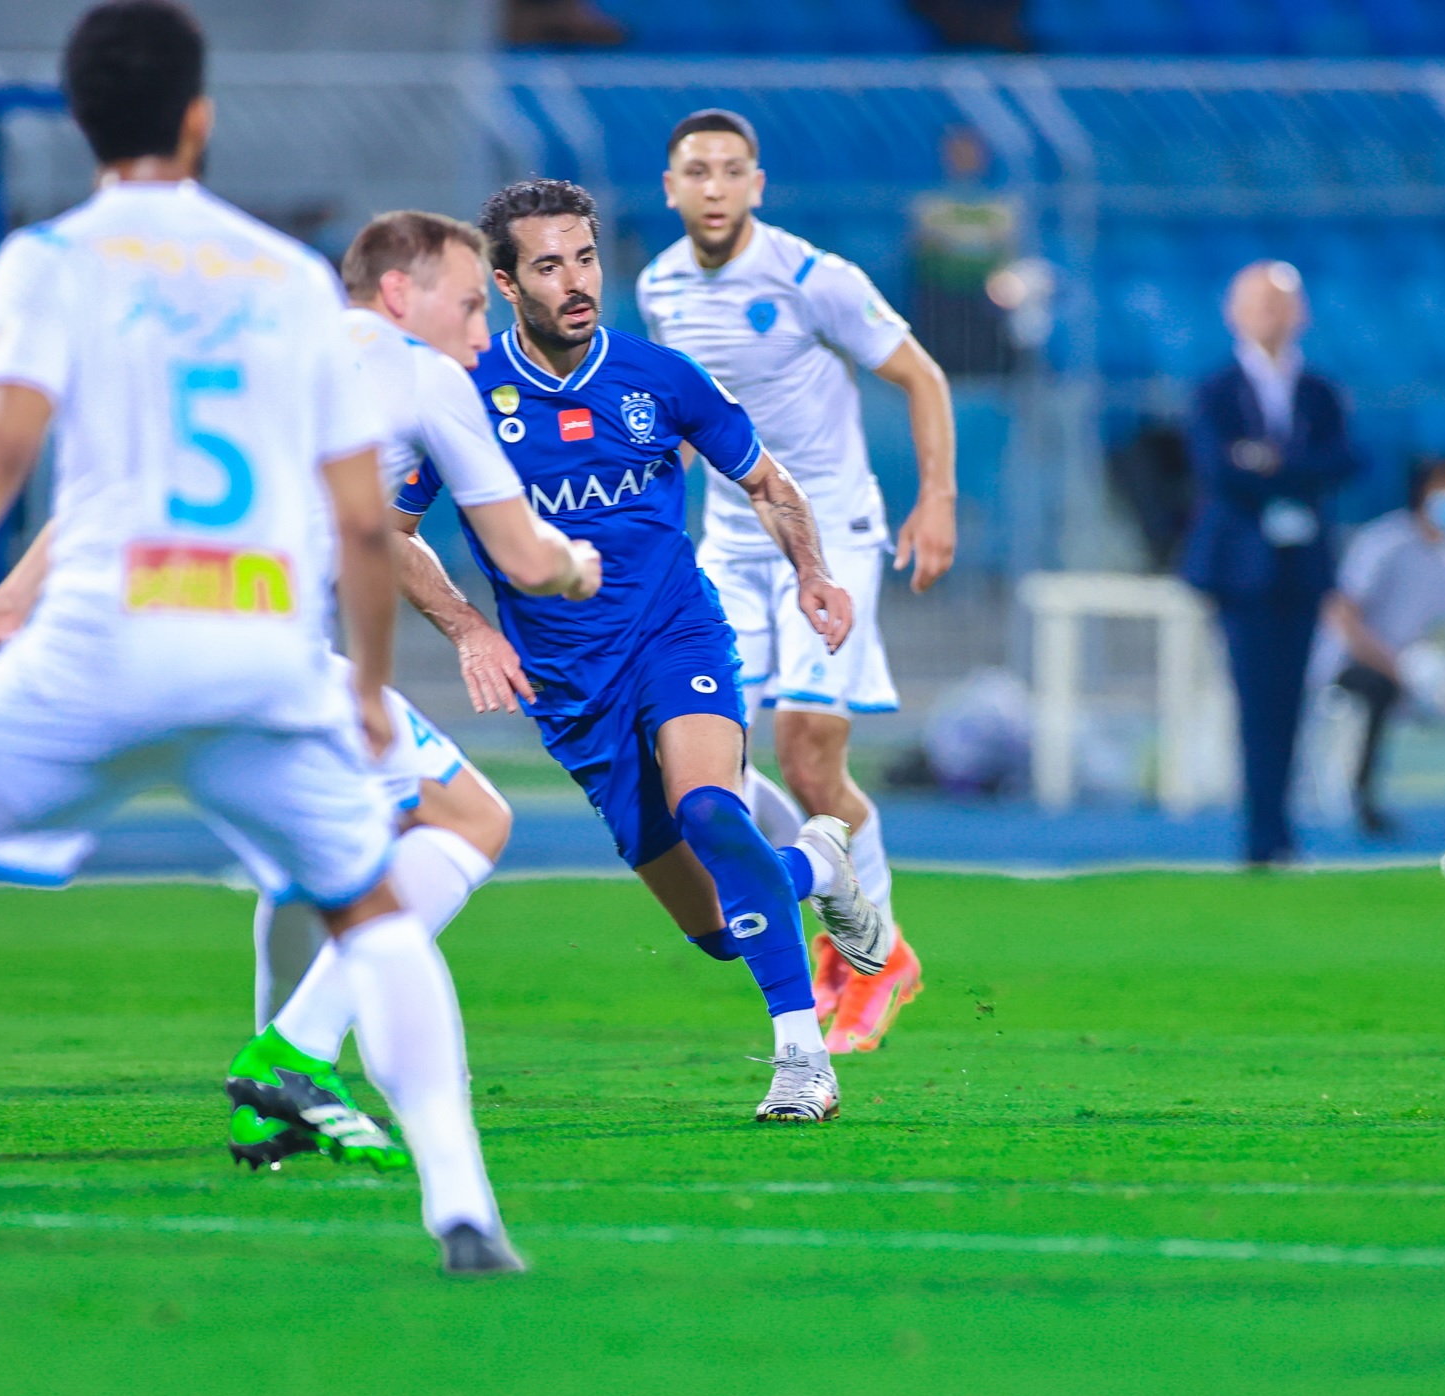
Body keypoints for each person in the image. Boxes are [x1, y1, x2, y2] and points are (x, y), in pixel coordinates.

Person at [0, 0, 522, 1274]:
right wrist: (363, 686)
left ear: (82, 120)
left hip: (101, 642)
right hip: (254, 648)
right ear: (201, 118)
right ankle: (462, 1205)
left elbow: (0, 453)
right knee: (374, 913)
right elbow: (364, 523)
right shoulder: (285, 277)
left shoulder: (50, 259)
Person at [0, 209, 602, 1174]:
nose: (482, 333)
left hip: (142, 639)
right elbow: (518, 549)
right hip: (260, 648)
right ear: (400, 293)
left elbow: (127, 482)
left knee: (318, 853)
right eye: (471, 305)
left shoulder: (252, 344)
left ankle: (269, 1109)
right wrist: (574, 566)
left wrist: (12, 595)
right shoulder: (424, 376)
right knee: (472, 822)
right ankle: (294, 1054)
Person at [399, 178, 889, 1123]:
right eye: (548, 265)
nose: (576, 281)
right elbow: (389, 530)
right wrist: (469, 627)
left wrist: (814, 574)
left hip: (676, 633)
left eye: (584, 257)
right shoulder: (463, 399)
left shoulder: (660, 379)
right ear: (506, 282)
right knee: (718, 926)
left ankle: (803, 1060)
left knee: (710, 806)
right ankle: (819, 866)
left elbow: (767, 480)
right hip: (570, 688)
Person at [636, 107, 956, 1053]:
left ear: (758, 185)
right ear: (670, 187)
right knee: (704, 765)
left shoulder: (814, 278)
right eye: (697, 170)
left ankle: (877, 952)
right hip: (730, 546)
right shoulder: (657, 288)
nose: (715, 187)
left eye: (732, 170)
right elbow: (686, 425)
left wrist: (934, 498)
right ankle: (832, 911)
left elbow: (925, 377)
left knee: (810, 754)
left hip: (835, 534)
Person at [1181, 260, 1360, 866]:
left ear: (1301, 313)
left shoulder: (1319, 392)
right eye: (1257, 303)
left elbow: (1343, 461)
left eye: (1280, 304)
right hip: (1241, 567)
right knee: (1254, 698)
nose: (1270, 315)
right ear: (1234, 312)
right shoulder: (1216, 389)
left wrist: (1272, 462)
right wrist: (1288, 469)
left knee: (1293, 700)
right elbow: (1219, 468)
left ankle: (1284, 828)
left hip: (1303, 564)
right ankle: (1261, 834)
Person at [1317, 458, 1445, 837]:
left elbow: (1440, 625)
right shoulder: (1384, 542)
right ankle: (1364, 800)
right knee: (1379, 689)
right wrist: (1390, 664)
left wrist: (1435, 665)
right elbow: (1342, 613)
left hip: (1413, 661)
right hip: (1356, 659)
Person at [907, 127, 1017, 377]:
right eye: (958, 151)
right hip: (943, 294)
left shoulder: (999, 204)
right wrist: (976, 240)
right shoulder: (930, 202)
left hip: (986, 294)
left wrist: (956, 239)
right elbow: (927, 241)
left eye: (970, 151)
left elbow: (1005, 245)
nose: (965, 158)